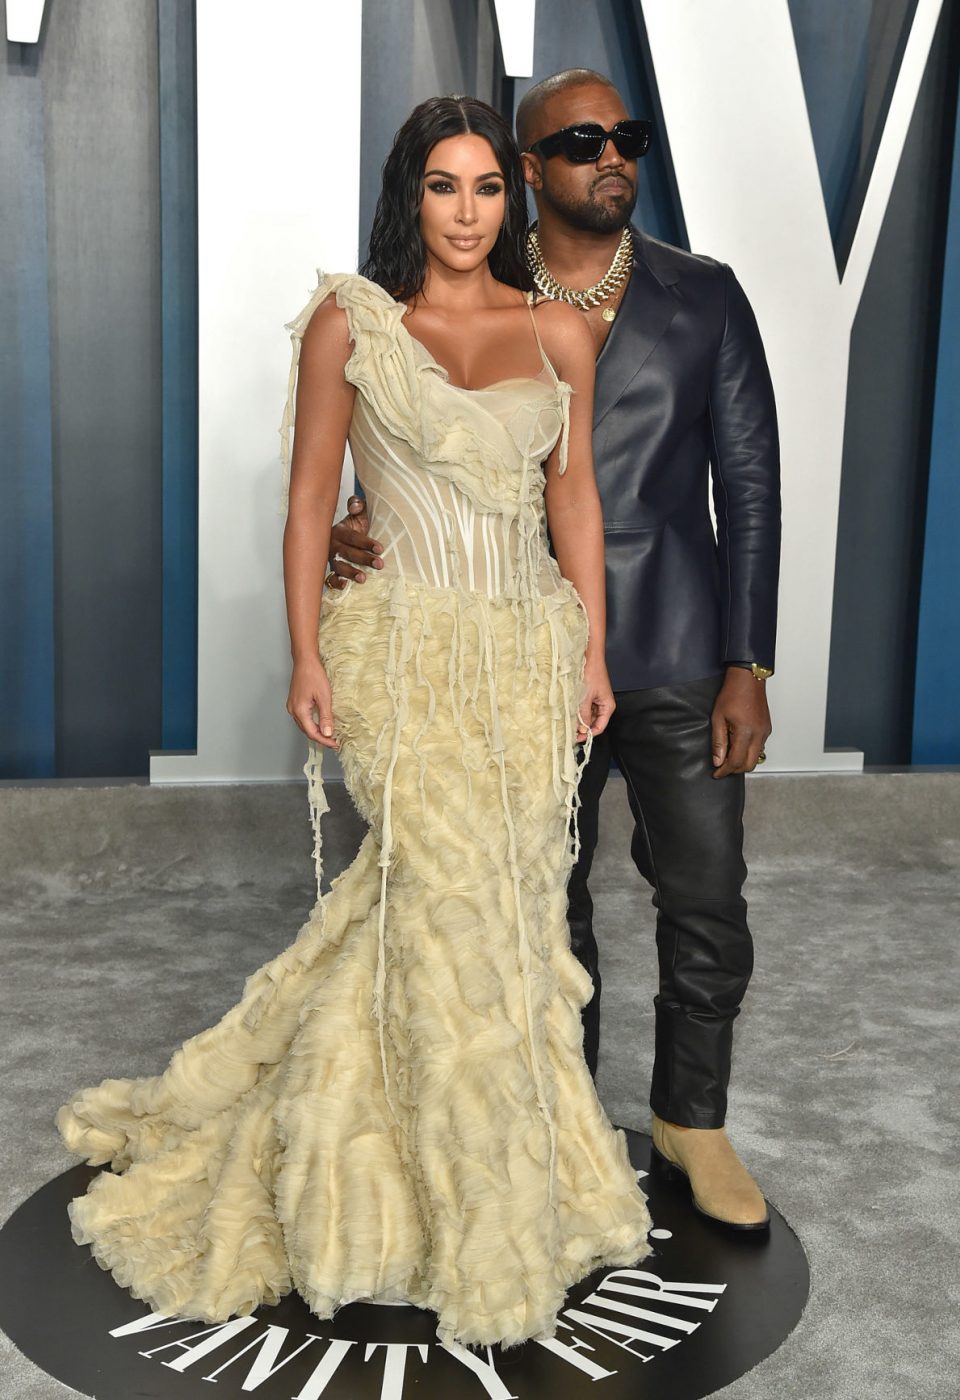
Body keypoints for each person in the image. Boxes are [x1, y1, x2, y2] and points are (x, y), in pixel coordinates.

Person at [55, 96, 652, 1351]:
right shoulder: (355, 322)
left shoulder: (561, 330)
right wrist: (306, 652)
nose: (466, 212)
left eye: (485, 187)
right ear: (408, 196)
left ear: (511, 197)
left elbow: (577, 500)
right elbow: (310, 495)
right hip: (402, 653)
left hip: (525, 656)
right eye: (442, 186)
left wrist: (593, 645)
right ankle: (440, 1213)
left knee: (502, 916)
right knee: (442, 899)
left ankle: (439, 1171)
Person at [328, 70, 781, 1232]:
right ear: (530, 169)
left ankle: (693, 1119)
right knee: (536, 899)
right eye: (581, 140)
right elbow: (427, 452)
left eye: (625, 135)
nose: (609, 154)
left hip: (676, 644)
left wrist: (750, 661)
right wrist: (361, 528)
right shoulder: (479, 283)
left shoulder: (703, 294)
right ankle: (558, 1117)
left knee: (706, 894)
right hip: (519, 648)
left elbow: (749, 484)